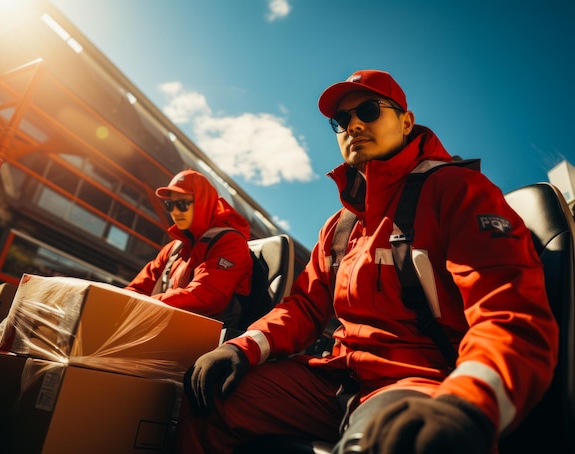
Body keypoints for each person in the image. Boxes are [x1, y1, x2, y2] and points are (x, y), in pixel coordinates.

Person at [173, 70, 559, 453]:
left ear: (406, 122)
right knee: (208, 400)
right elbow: (304, 307)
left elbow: (507, 314)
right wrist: (242, 347)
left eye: (370, 110)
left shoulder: (458, 191)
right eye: (341, 120)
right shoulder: (339, 226)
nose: (354, 124)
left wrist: (468, 406)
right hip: (336, 378)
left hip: (418, 380)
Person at [126, 169, 252, 330]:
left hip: (206, 342)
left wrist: (146, 306)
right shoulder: (172, 249)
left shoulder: (230, 242)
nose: (175, 212)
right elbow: (137, 288)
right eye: (170, 205)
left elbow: (206, 296)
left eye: (183, 204)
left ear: (203, 202)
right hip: (163, 327)